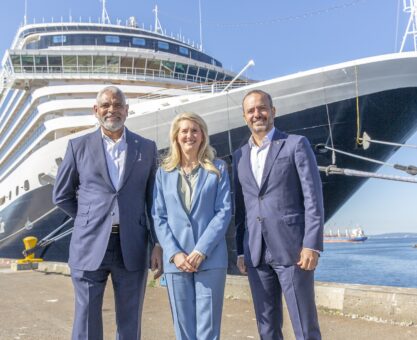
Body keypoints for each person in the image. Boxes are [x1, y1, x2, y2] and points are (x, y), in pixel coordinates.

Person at [53, 86, 162, 340]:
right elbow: (61, 195)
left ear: (126, 110)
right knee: (86, 321)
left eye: (117, 105)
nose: (111, 110)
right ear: (96, 110)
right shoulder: (77, 146)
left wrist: (157, 243)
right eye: (105, 105)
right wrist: (88, 219)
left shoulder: (146, 148)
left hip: (132, 245)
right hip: (89, 244)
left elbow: (153, 201)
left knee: (130, 321)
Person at [233, 89, 324, 340]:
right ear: (244, 117)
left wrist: (312, 245)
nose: (257, 114)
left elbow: (313, 199)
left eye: (262, 108)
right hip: (255, 251)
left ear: (273, 111)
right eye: (251, 111)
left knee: (305, 326)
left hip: (293, 249)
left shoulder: (296, 144)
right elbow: (241, 208)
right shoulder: (239, 156)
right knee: (267, 329)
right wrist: (241, 250)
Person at [152, 112, 232, 340]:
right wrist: (174, 253)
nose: (189, 135)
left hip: (210, 258)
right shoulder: (163, 173)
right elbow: (159, 216)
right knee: (183, 329)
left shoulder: (217, 168)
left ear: (203, 135)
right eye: (184, 131)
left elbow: (223, 211)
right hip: (176, 262)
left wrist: (200, 251)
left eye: (195, 130)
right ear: (176, 137)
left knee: (208, 330)